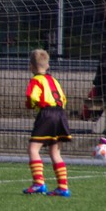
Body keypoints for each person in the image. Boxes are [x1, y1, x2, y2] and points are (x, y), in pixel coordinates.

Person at [23, 49, 71, 197]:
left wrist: (32, 105)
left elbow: (32, 96)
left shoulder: (36, 80)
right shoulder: (54, 80)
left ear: (31, 66)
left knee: (33, 149)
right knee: (55, 152)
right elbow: (63, 99)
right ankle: (63, 187)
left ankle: (38, 183)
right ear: (48, 65)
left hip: (47, 114)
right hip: (60, 114)